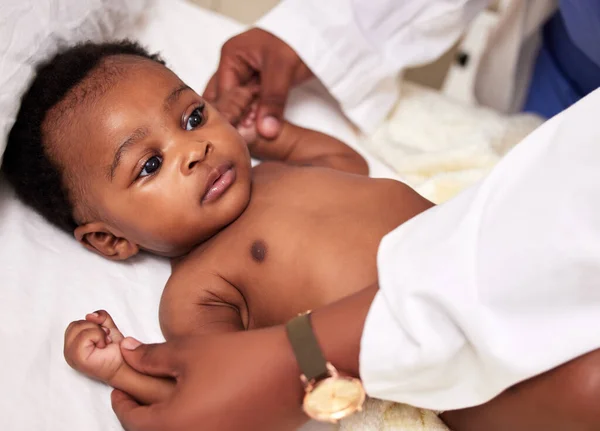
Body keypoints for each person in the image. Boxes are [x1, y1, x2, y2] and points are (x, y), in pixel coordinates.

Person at [104, 1, 600, 430]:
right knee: (580, 389)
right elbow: (222, 376)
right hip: (441, 364)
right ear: (110, 240)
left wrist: (273, 137)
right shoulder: (196, 286)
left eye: (193, 118)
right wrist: (120, 366)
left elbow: (347, 168)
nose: (194, 149)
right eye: (150, 164)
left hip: (497, 256)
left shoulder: (272, 174)